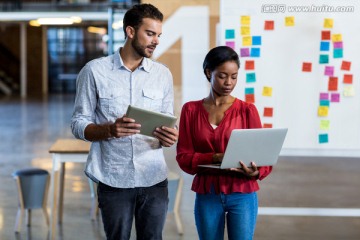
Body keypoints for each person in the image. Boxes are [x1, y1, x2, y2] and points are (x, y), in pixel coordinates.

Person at [71, 4, 178, 240]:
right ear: (130, 31)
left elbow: (170, 122)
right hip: (113, 178)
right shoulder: (94, 71)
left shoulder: (163, 75)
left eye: (159, 35)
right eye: (150, 34)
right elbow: (78, 123)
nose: (156, 41)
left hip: (154, 178)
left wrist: (171, 135)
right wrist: (109, 129)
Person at [176, 46, 272, 240]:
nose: (229, 82)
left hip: (242, 193)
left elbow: (263, 157)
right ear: (208, 72)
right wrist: (216, 157)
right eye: (222, 76)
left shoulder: (247, 111)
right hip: (207, 193)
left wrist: (256, 172)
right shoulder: (190, 110)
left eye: (234, 76)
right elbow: (184, 158)